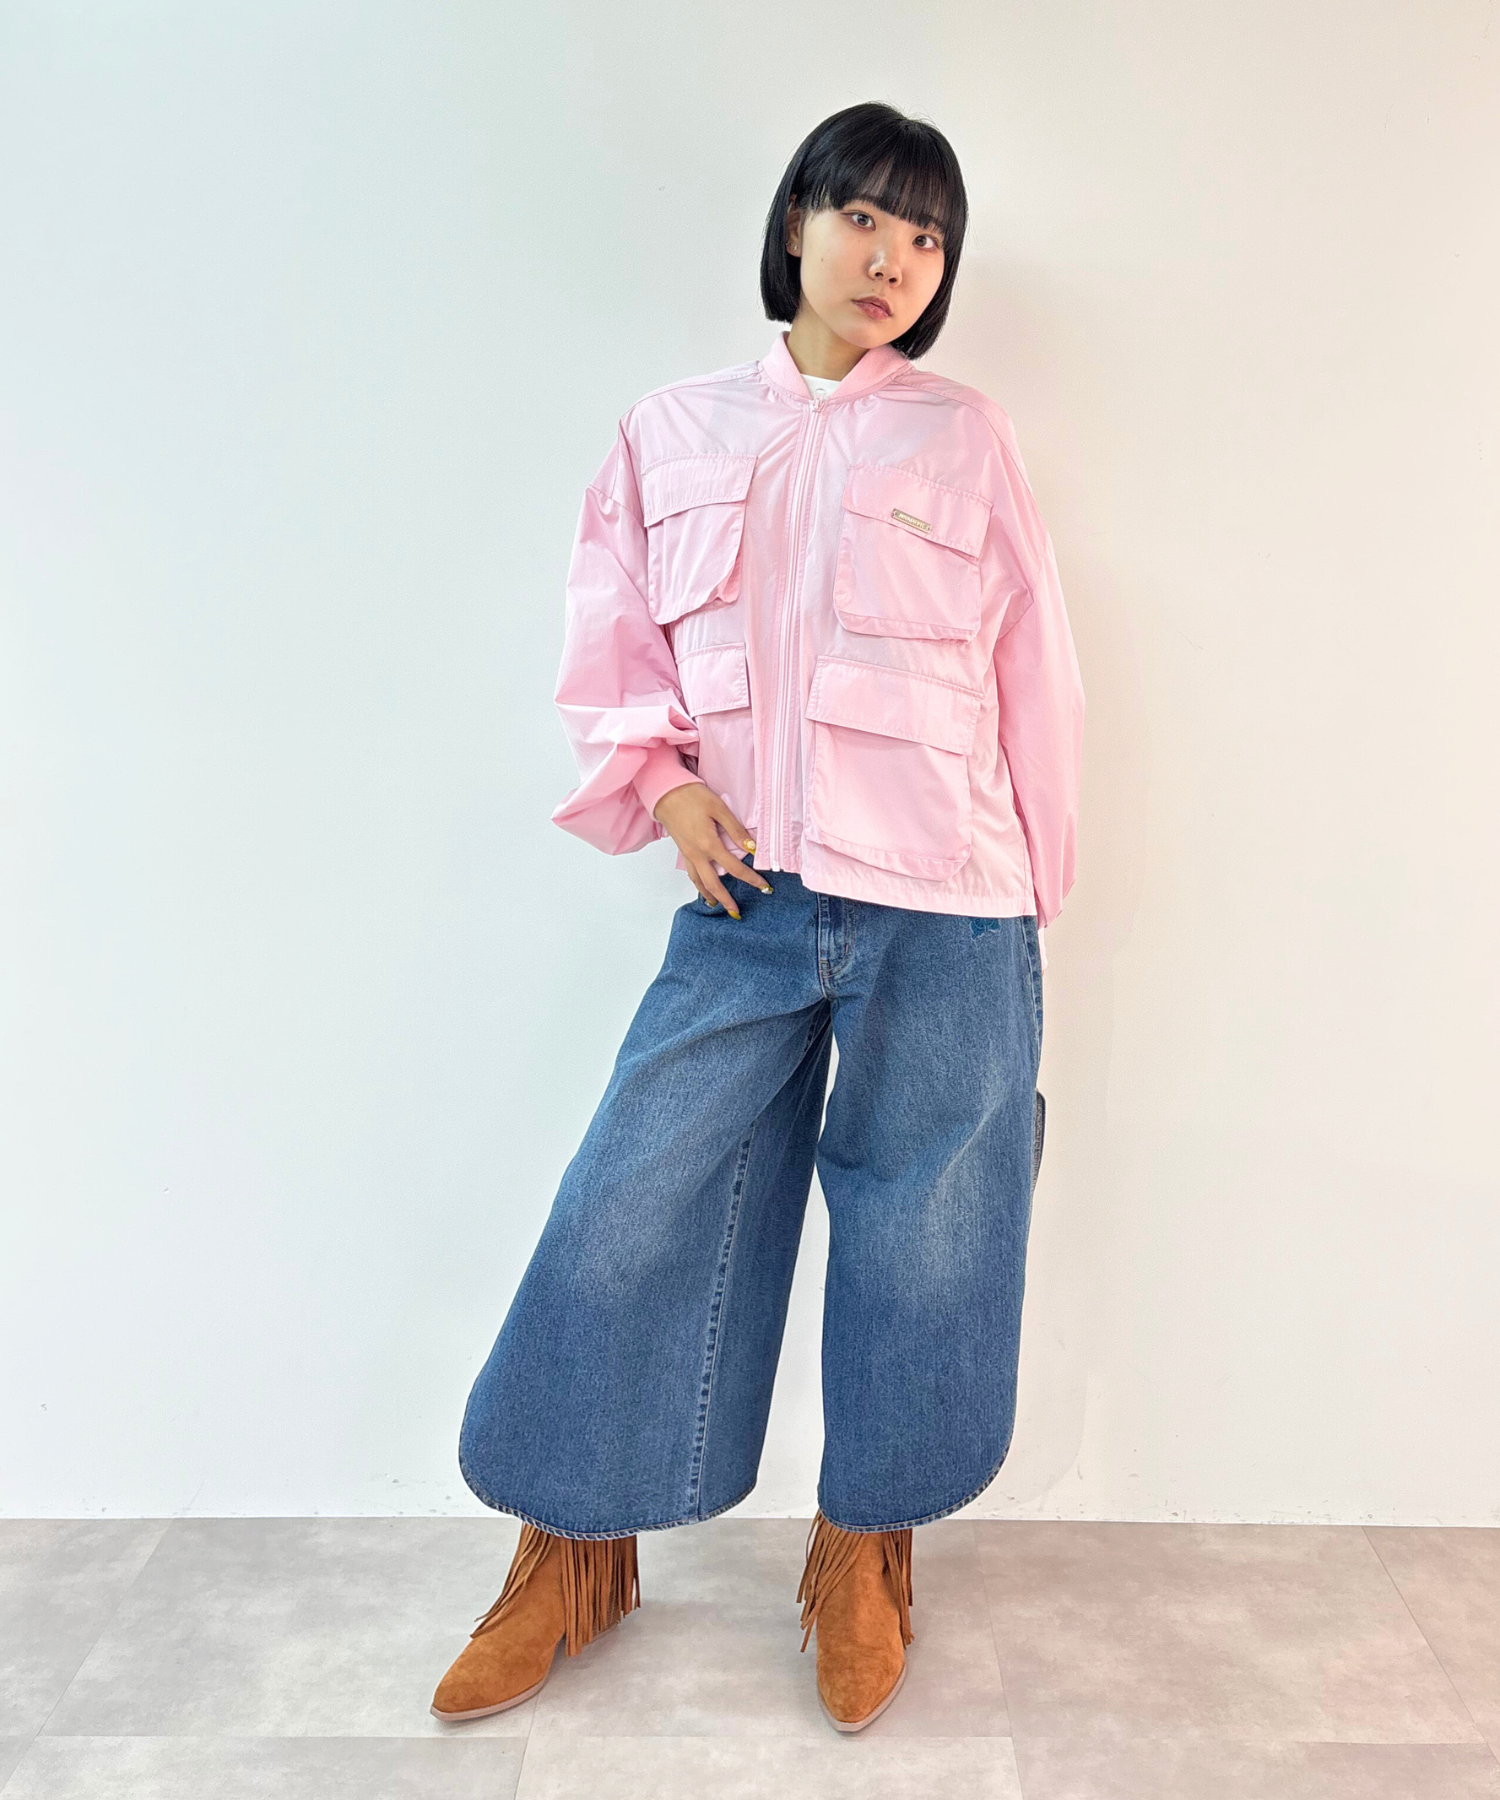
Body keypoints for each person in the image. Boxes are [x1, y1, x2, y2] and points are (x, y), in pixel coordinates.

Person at [430, 99, 1085, 1735]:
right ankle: (574, 1553)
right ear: (797, 222)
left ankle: (864, 1551)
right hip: (748, 896)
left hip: (948, 900)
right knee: (630, 1199)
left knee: (927, 1237)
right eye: (865, 217)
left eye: (927, 237)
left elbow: (1036, 670)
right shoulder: (671, 433)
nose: (894, 258)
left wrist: (1032, 903)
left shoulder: (965, 439)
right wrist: (662, 789)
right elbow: (613, 643)